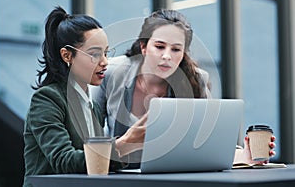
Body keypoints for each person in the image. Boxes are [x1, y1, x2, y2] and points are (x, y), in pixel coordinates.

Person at [91, 9, 276, 167]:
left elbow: (208, 142)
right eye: (159, 46)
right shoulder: (111, 73)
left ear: (183, 53)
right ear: (144, 47)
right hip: (118, 175)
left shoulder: (196, 80)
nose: (166, 56)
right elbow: (89, 137)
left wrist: (245, 156)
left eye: (175, 49)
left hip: (174, 176)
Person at [23, 6, 145, 187]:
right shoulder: (47, 99)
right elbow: (64, 161)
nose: (105, 62)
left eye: (105, 53)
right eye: (95, 54)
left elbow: (93, 166)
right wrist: (121, 144)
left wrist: (131, 146)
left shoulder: (92, 106)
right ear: (67, 55)